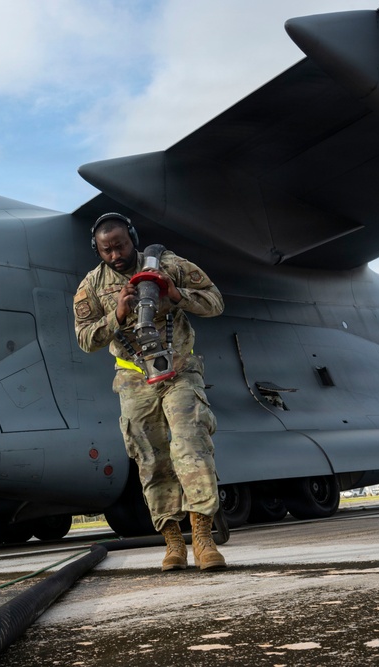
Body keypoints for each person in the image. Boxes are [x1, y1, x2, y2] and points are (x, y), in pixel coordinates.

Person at [73, 212, 226, 571]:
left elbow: (215, 301)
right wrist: (118, 315)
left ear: (133, 238)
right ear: (96, 249)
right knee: (151, 459)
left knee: (190, 445)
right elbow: (84, 339)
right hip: (133, 377)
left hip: (179, 368)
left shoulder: (169, 265)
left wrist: (176, 293)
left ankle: (203, 539)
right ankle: (173, 542)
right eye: (106, 249)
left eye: (121, 246)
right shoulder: (91, 286)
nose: (115, 255)